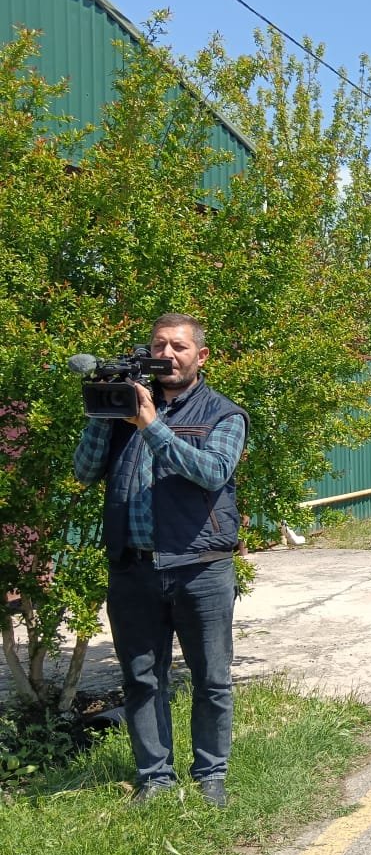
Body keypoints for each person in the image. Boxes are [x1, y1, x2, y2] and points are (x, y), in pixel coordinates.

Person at [72, 313, 248, 808]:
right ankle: (155, 777)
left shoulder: (224, 414)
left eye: (179, 346)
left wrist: (150, 425)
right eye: (159, 346)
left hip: (201, 567)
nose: (167, 355)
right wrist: (101, 414)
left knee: (211, 677)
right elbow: (85, 471)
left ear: (200, 357)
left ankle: (211, 774)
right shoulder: (123, 411)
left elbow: (211, 472)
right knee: (142, 676)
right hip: (134, 567)